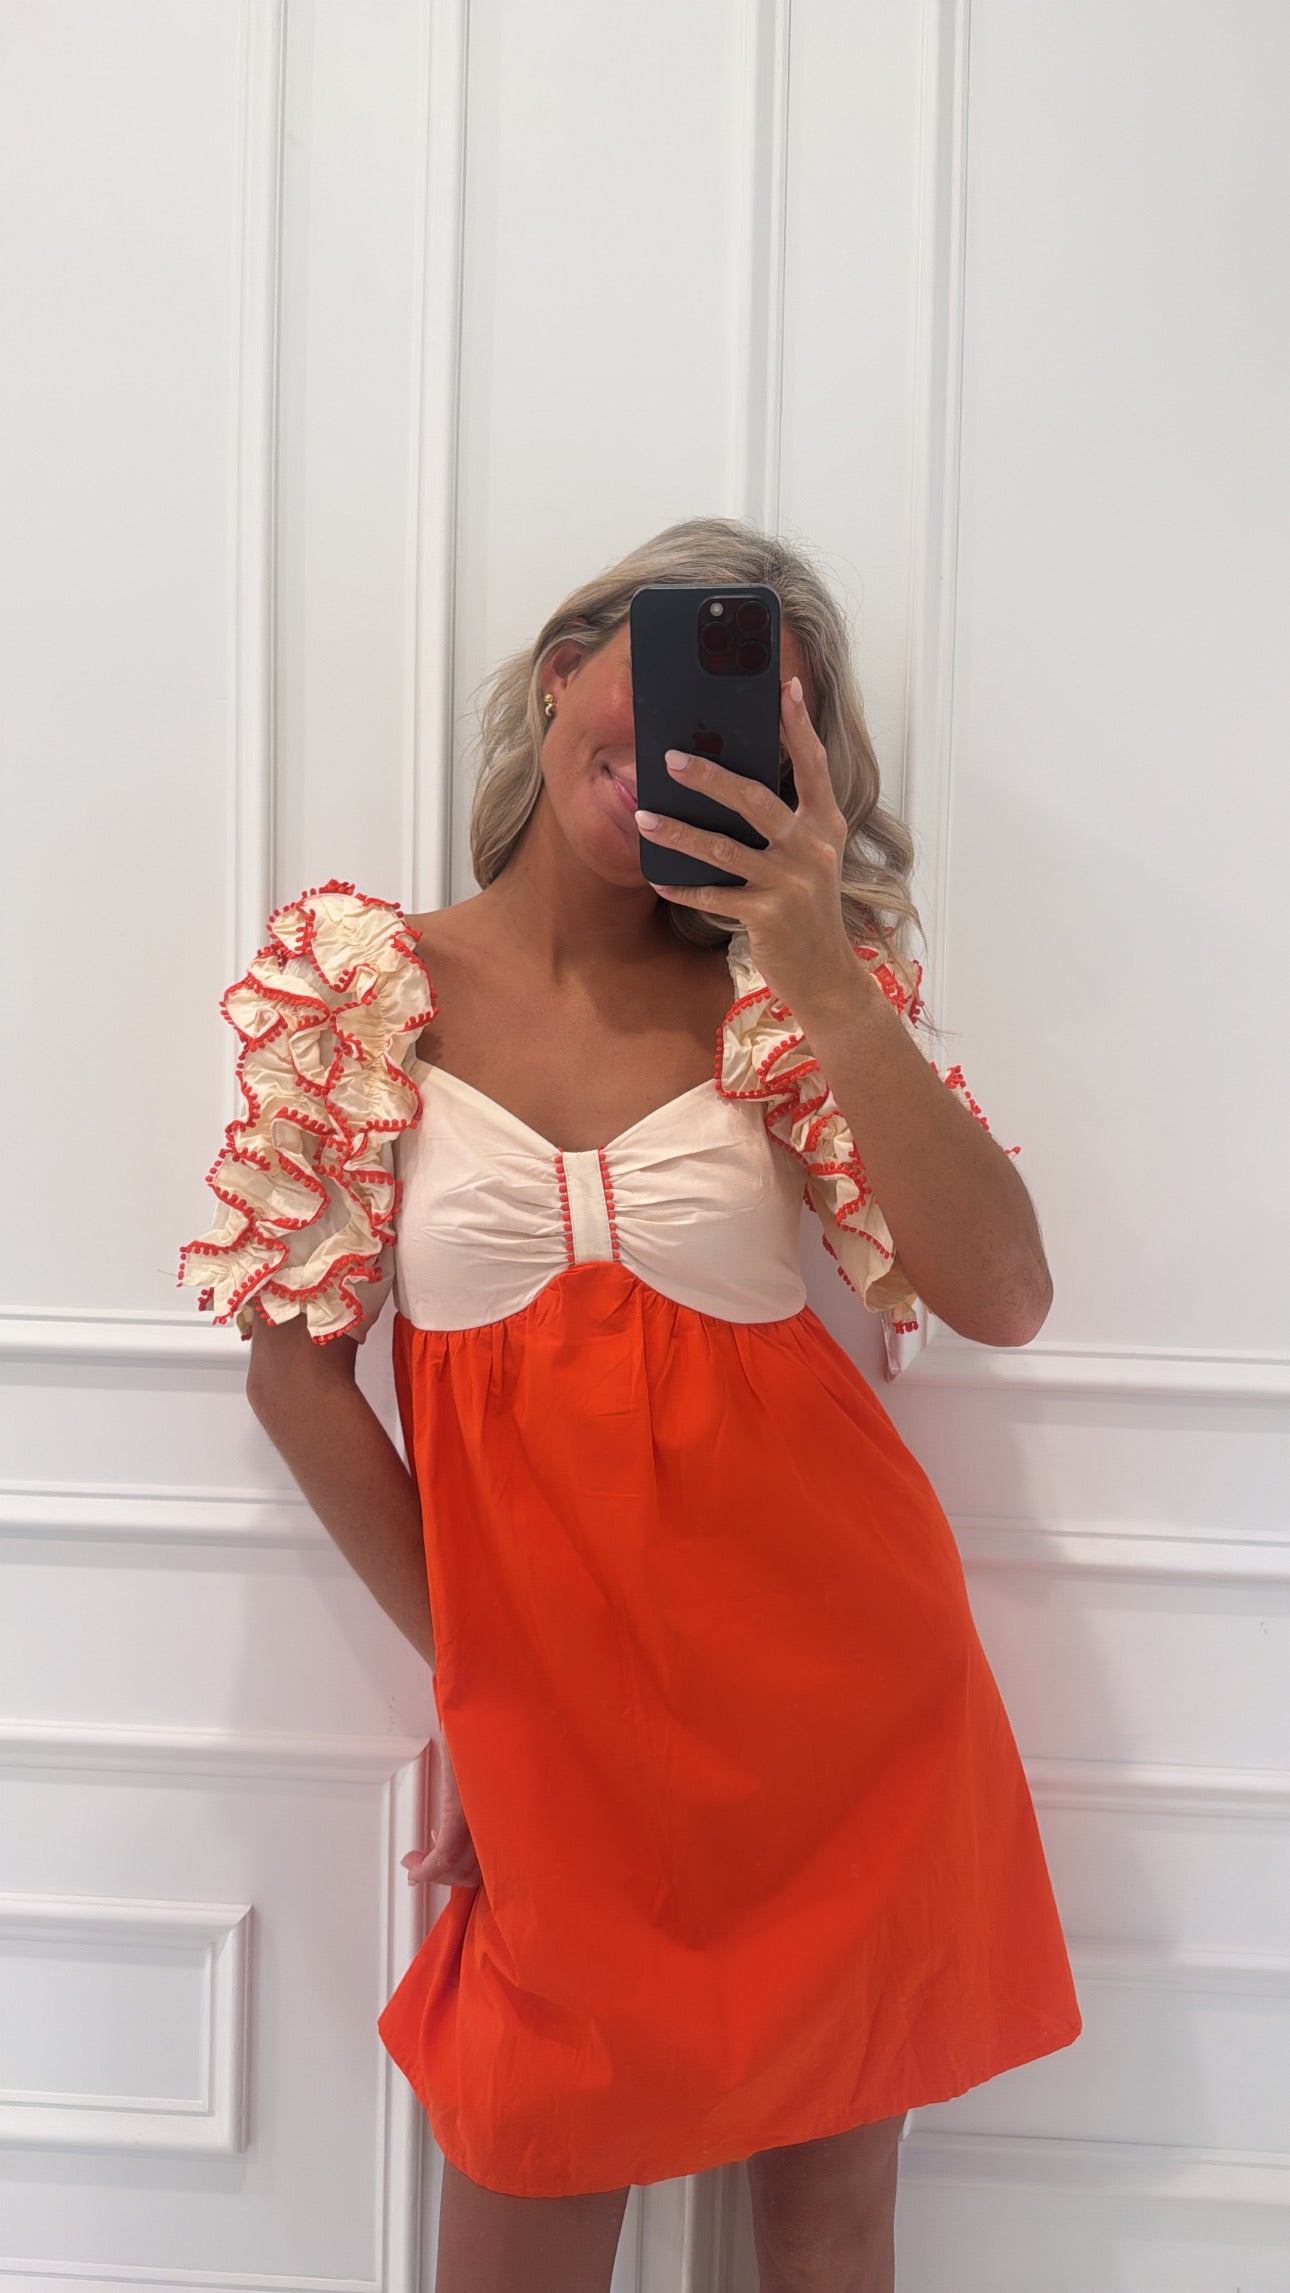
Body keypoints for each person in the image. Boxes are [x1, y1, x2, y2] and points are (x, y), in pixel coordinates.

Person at [178, 516, 1081, 2293]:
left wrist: (822, 968)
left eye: (749, 725)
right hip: (559, 1739)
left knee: (827, 2230)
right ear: (560, 676)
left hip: (851, 1713)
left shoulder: (778, 1001)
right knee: (527, 2173)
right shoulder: (364, 989)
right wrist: (482, 1684)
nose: (673, 745)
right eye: (651, 686)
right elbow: (295, 1377)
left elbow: (1005, 1295)